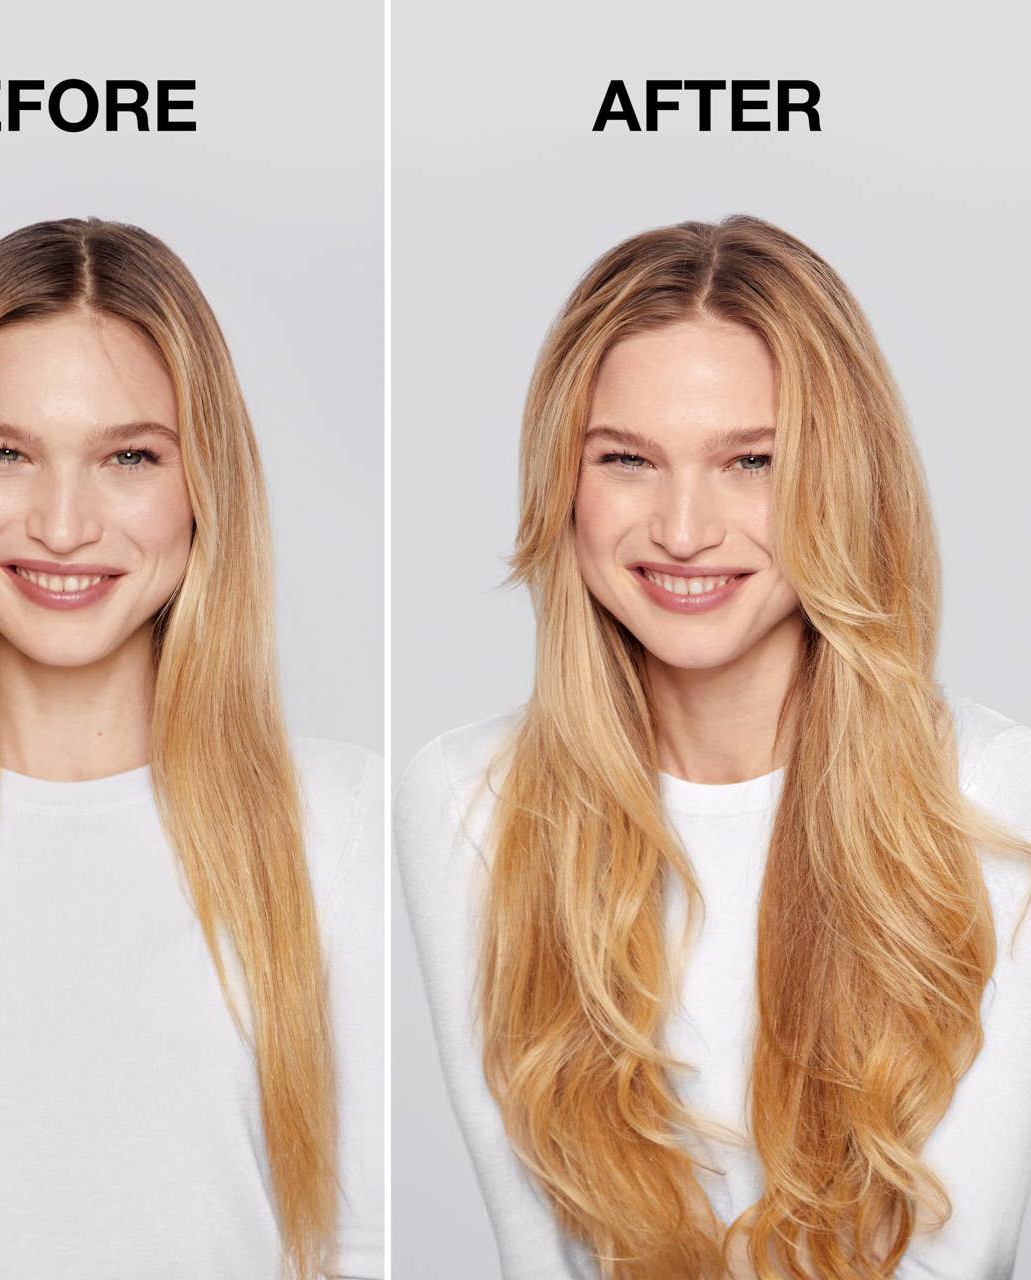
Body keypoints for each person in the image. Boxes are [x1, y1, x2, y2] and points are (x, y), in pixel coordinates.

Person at [395, 215, 1031, 1280]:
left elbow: (954, 1258)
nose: (682, 529)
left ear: (840, 477)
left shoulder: (993, 795)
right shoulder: (465, 797)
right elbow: (533, 1251)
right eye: (627, 460)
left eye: (750, 461)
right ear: (565, 479)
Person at [0, 217, 383, 1280]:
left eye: (127, 456)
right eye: (3, 453)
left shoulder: (338, 820)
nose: (59, 522)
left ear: (202, 489)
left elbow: (364, 1253)